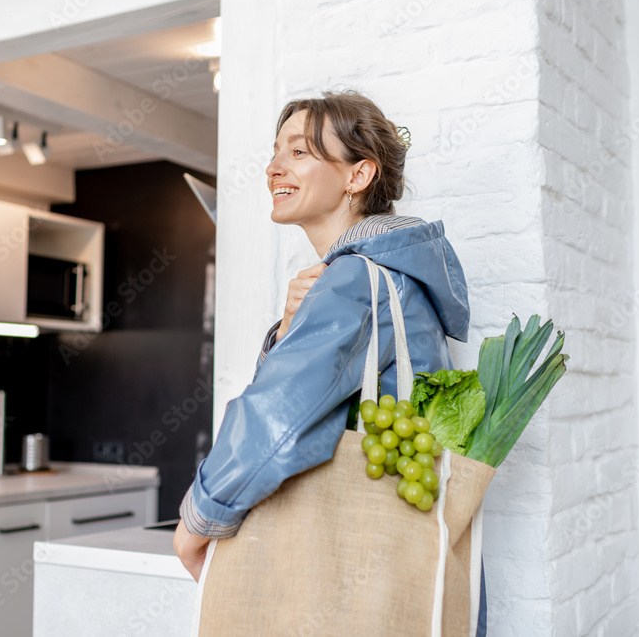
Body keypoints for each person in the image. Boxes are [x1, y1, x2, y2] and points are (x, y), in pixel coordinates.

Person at [173, 90, 486, 635]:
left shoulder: (353, 280)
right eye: (275, 152)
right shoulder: (390, 275)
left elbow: (277, 419)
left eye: (298, 152)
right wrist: (290, 328)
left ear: (358, 175)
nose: (273, 168)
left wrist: (197, 520)